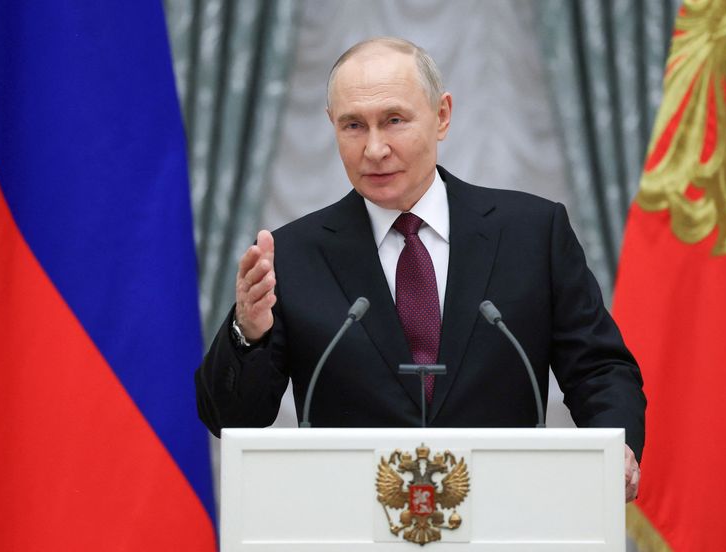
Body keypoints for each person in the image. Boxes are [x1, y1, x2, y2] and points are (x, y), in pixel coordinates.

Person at [195, 37, 645, 502]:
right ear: (332, 126)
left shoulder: (532, 232)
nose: (374, 148)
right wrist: (248, 334)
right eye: (353, 125)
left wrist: (617, 444)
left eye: (393, 121)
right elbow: (232, 420)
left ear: (442, 115)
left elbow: (597, 368)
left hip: (508, 510)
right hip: (351, 517)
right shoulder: (291, 254)